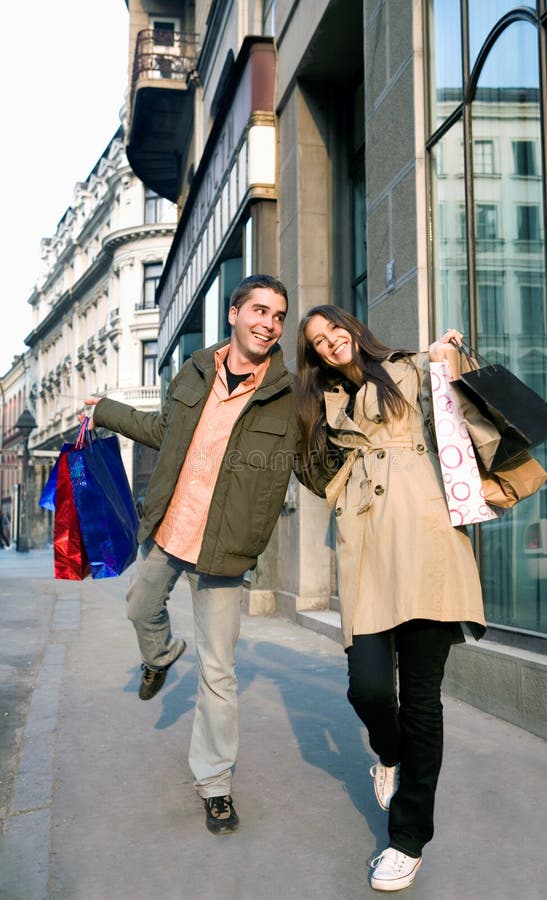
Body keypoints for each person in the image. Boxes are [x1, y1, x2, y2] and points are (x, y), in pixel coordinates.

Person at [81, 274, 297, 835]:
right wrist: (105, 410)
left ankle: (215, 783)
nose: (268, 323)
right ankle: (158, 656)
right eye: (259, 310)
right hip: (173, 526)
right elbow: (161, 429)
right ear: (234, 313)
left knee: (219, 672)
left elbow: (316, 464)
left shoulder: (287, 397)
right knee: (138, 606)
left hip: (225, 550)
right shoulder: (197, 370)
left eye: (278, 316)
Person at [294, 305, 486, 892]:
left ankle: (407, 840)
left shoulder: (404, 369)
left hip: (426, 543)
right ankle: (388, 752)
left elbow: (459, 413)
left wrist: (451, 357)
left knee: (423, 702)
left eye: (334, 331)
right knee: (370, 688)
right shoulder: (318, 406)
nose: (330, 344)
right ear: (314, 356)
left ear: (352, 328)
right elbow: (307, 469)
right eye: (318, 343)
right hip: (367, 548)